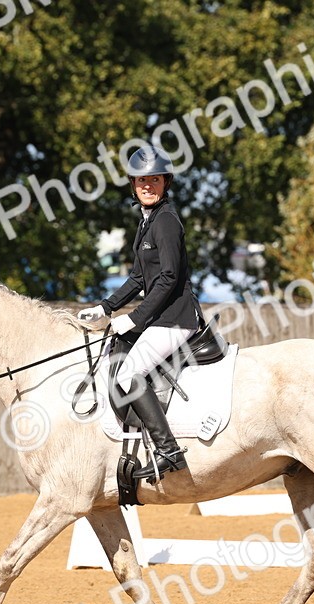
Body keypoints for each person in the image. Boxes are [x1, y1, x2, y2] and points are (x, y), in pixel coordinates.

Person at [78, 145, 199, 483]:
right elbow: (137, 278)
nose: (148, 185)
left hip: (176, 318)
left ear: (165, 182)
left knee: (129, 372)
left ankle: (168, 451)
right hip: (161, 317)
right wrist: (106, 306)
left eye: (154, 180)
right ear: (133, 184)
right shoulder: (147, 222)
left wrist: (135, 318)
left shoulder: (166, 221)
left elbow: (169, 278)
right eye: (141, 180)